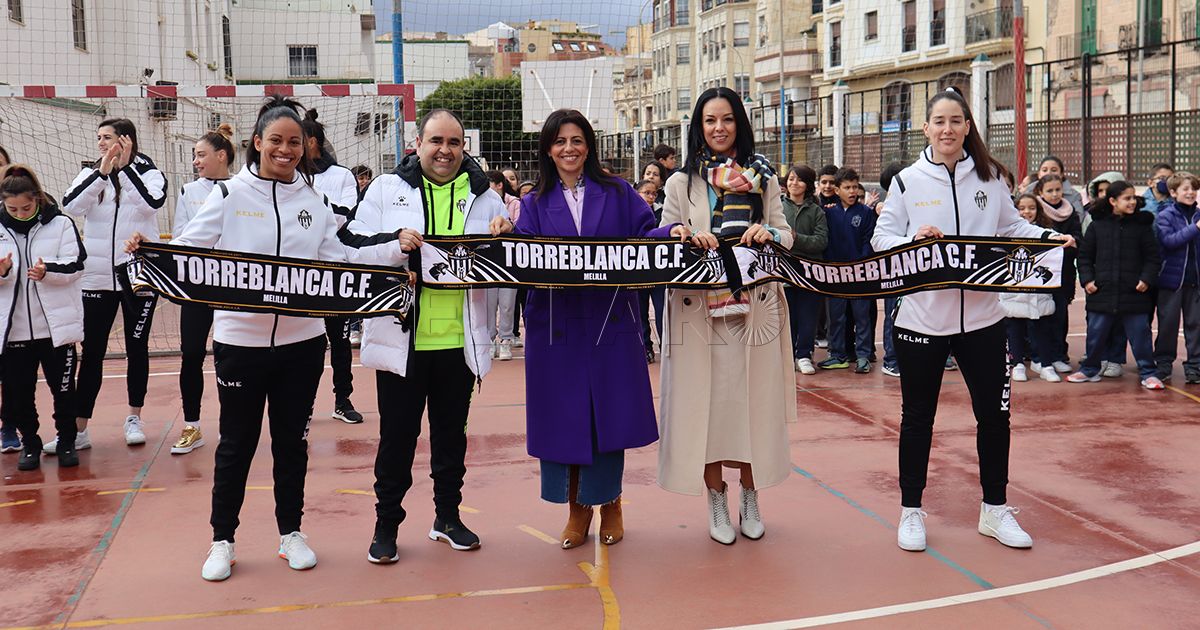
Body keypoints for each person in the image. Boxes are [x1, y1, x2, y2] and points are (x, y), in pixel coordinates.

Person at [131, 95, 404, 582]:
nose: (285, 150)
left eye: (294, 142)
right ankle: (223, 540)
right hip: (241, 344)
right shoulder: (230, 196)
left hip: (301, 347)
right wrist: (149, 253)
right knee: (235, 443)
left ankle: (290, 533)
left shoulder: (312, 200)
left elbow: (338, 257)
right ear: (256, 143)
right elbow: (190, 249)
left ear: (306, 147)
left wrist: (393, 250)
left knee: (291, 444)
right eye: (275, 141)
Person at [872, 87, 1075, 553]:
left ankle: (995, 509)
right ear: (925, 128)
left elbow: (1012, 228)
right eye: (939, 121)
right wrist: (912, 241)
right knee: (917, 418)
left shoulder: (990, 179)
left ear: (968, 127)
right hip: (922, 320)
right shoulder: (906, 181)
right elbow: (880, 241)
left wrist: (1048, 236)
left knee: (995, 417)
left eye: (956, 121)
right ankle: (910, 511)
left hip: (984, 319)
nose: (948, 129)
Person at [515, 109, 684, 549]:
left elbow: (647, 237)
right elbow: (518, 257)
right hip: (555, 327)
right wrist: (504, 231)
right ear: (548, 149)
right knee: (565, 419)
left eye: (577, 139)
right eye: (559, 141)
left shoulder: (618, 192)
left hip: (610, 320)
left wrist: (672, 231)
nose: (569, 148)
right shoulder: (532, 205)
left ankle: (610, 501)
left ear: (589, 145)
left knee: (606, 415)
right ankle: (576, 509)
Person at [344, 108, 506, 564]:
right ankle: (386, 525)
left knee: (451, 439)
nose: (445, 150)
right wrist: (394, 244)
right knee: (396, 440)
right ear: (418, 142)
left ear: (464, 147)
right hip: (404, 343)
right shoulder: (385, 188)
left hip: (459, 343)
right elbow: (351, 248)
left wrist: (505, 233)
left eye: (454, 143)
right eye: (437, 141)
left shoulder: (484, 195)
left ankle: (447, 518)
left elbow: (507, 260)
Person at [657, 87, 796, 545]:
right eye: (710, 120)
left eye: (728, 119)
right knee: (707, 410)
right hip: (698, 315)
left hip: (754, 309)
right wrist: (681, 234)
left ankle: (750, 495)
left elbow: (788, 235)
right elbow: (665, 234)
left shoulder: (765, 178)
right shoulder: (681, 182)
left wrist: (768, 231)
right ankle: (715, 497)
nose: (719, 128)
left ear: (740, 124)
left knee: (754, 403)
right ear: (698, 125)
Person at [56, 118, 166, 455]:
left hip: (138, 275)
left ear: (127, 140)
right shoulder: (92, 173)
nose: (102, 143)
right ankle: (79, 428)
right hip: (97, 277)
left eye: (109, 138)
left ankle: (134, 417)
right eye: (99, 138)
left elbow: (151, 204)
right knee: (92, 352)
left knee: (137, 347)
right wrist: (102, 173)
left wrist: (126, 168)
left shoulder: (149, 173)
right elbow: (70, 206)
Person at [0, 165, 86, 470]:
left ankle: (66, 442)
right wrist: (3, 272)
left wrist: (47, 270)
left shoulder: (60, 224)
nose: (20, 213)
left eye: (26, 207)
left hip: (55, 329)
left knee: (63, 391)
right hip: (14, 332)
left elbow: (76, 265)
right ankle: (30, 445)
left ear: (37, 199)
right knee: (20, 395)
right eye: (12, 208)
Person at [169, 124, 235, 455]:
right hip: (197, 284)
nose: (196, 161)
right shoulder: (188, 191)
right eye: (195, 155)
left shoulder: (243, 189)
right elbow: (181, 234)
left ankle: (232, 426)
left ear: (221, 156)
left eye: (201, 154)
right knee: (191, 354)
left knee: (231, 356)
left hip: (232, 285)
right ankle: (192, 425)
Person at [1067, 182, 1163, 389]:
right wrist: (1087, 280)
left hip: (1134, 293)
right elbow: (1084, 257)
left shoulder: (1142, 226)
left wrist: (1146, 280)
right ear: (1112, 201)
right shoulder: (1097, 226)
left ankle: (1148, 372)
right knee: (1095, 334)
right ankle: (1089, 369)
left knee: (1140, 336)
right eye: (1127, 198)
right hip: (1102, 292)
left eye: (1133, 198)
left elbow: (1153, 258)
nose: (1132, 202)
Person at [301, 108, 364, 425]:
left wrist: (310, 220)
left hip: (335, 269)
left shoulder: (340, 176)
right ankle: (304, 405)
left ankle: (343, 399)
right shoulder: (292, 176)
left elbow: (345, 214)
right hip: (301, 272)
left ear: (311, 141)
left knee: (339, 340)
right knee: (305, 344)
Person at [818, 167, 876, 374]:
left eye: (854, 187)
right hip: (835, 274)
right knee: (836, 317)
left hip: (860, 274)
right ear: (837, 189)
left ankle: (863, 356)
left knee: (862, 317)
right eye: (847, 187)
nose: (852, 191)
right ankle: (838, 356)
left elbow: (869, 241)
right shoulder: (828, 213)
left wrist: (859, 263)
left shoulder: (866, 213)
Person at [1001, 194, 1060, 383]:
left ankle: (1044, 364)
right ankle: (1017, 364)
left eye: (1032, 208)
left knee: (1041, 328)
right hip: (1013, 294)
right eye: (1022, 208)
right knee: (1015, 329)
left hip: (1038, 293)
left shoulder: (1045, 232)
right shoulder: (1003, 235)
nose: (1027, 212)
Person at [1153, 172, 1200, 384]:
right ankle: (1163, 363)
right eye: (1185, 189)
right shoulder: (1165, 215)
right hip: (1171, 282)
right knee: (1168, 325)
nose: (1191, 193)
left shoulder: (1198, 214)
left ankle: (1194, 367)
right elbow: (1170, 241)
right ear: (1173, 192)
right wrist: (1195, 228)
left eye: (1193, 189)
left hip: (1195, 281)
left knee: (1196, 325)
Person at [781, 164, 827, 375]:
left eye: (799, 179)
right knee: (786, 316)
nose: (794, 183)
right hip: (784, 270)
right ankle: (787, 356)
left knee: (808, 315)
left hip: (810, 272)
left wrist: (796, 238)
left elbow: (821, 242)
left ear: (808, 184)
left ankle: (804, 355)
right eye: (791, 179)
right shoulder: (778, 208)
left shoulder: (816, 211)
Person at [1035, 173, 1082, 375]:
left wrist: (1067, 243)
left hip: (1064, 274)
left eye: (1058, 190)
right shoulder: (1036, 212)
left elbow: (1078, 240)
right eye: (1050, 190)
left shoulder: (1071, 213)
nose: (1054, 194)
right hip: (1040, 275)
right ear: (1040, 192)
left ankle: (1059, 355)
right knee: (1041, 316)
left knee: (1060, 315)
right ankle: (1040, 357)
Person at [485, 169, 521, 361]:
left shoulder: (514, 203)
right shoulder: (481, 201)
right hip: (489, 261)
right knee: (489, 303)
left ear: (499, 185)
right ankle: (490, 338)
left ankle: (506, 338)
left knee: (507, 304)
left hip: (509, 260)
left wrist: (509, 226)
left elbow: (520, 227)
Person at [638, 161, 670, 361]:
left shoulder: (665, 210)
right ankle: (645, 347)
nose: (650, 196)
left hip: (659, 268)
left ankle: (666, 346)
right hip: (638, 268)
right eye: (648, 173)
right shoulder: (630, 211)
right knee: (640, 310)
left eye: (655, 174)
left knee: (662, 310)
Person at [877, 161, 905, 378]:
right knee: (893, 314)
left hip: (917, 268)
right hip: (893, 270)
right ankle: (891, 359)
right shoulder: (885, 209)